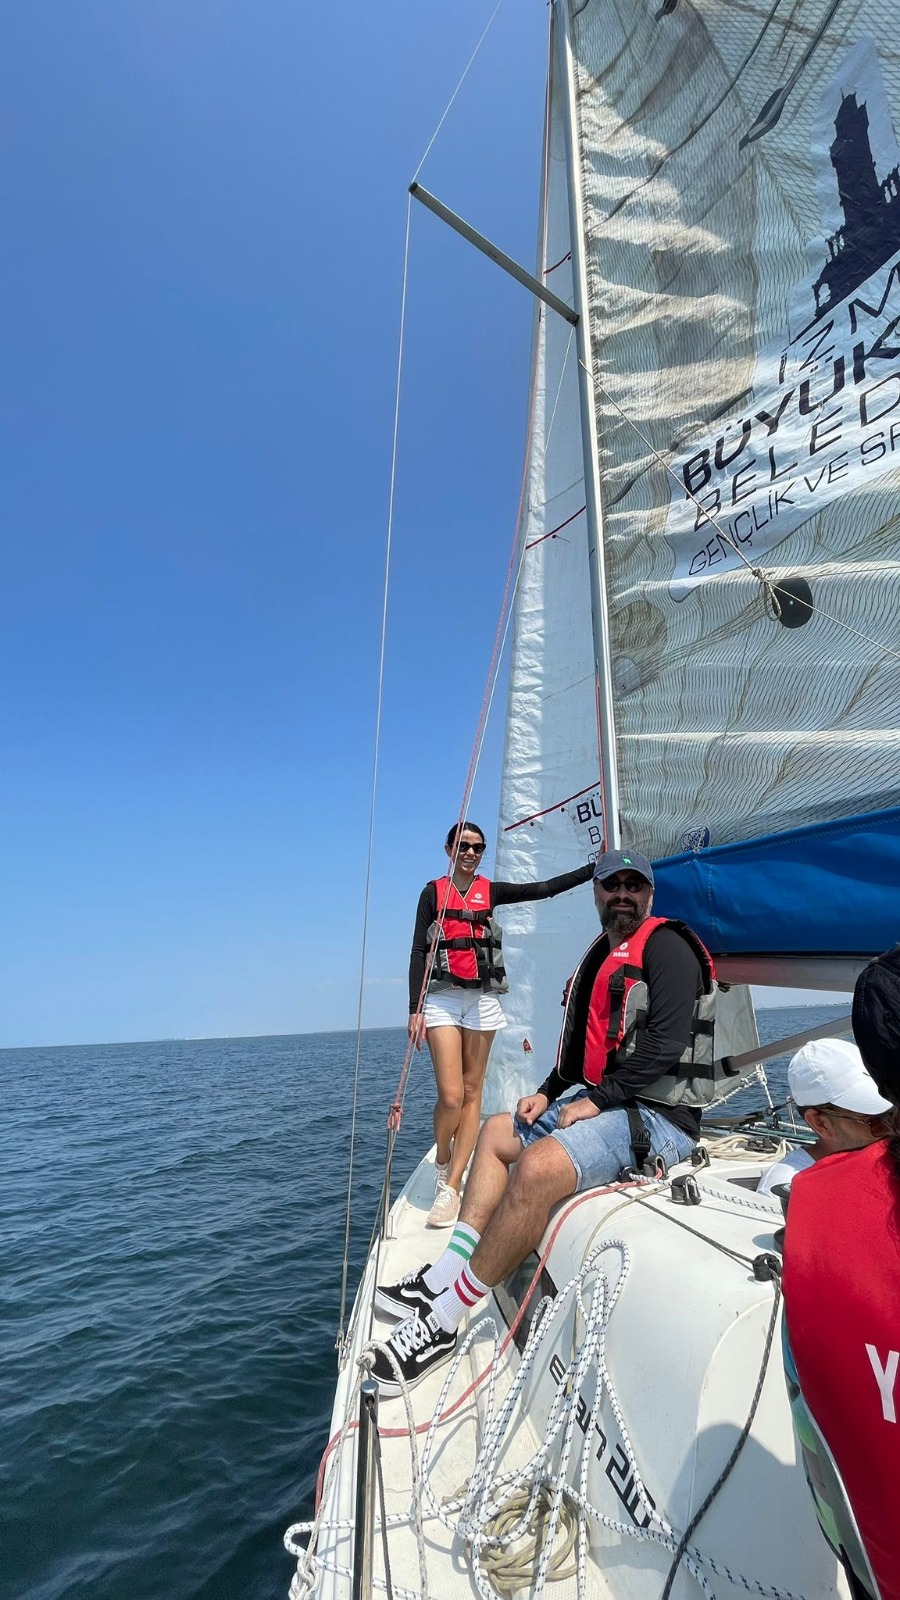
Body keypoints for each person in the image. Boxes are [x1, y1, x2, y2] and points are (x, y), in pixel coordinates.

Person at [376, 847, 717, 1392]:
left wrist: (598, 1100)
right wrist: (546, 1093)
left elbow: (666, 1044)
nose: (622, 894)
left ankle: (444, 1321)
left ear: (650, 895)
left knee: (534, 1168)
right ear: (598, 893)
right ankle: (445, 1273)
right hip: (607, 1098)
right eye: (612, 885)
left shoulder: (668, 948)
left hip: (659, 1118)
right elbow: (577, 1053)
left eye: (634, 886)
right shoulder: (599, 954)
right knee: (493, 1131)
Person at [781, 946, 900, 1600]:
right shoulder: (806, 1199)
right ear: (817, 1123)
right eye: (873, 1118)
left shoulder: (814, 1210)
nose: (886, 1128)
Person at [408, 820, 593, 1228]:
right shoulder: (431, 893)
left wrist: (590, 870)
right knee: (452, 1096)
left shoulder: (490, 891)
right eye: (464, 846)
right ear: (449, 848)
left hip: (481, 1003)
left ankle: (451, 1186)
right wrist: (414, 1008)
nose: (471, 853)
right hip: (441, 1001)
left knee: (473, 1092)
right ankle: (444, 1155)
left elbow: (542, 889)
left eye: (478, 847)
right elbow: (419, 950)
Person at [757, 1038, 891, 1196]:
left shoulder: (885, 1162)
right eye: (876, 1122)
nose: (891, 1130)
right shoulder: (785, 1187)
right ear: (819, 1123)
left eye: (893, 1115)